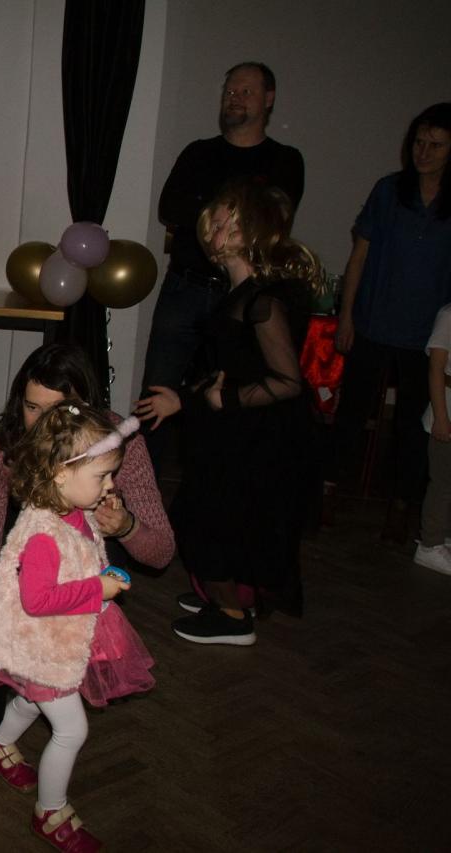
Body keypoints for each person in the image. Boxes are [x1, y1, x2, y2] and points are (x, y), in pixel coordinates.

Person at [0, 343, 174, 726]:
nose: (41, 422)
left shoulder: (119, 446)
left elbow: (161, 553)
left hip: (91, 566)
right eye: (32, 407)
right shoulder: (7, 452)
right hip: (34, 562)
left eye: (56, 409)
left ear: (84, 405)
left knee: (68, 692)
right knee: (5, 638)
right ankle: (2, 735)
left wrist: (126, 526)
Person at [137, 179, 321, 644]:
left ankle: (233, 617)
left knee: (207, 519)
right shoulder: (238, 293)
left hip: (256, 435)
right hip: (237, 430)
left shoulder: (262, 300)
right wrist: (184, 398)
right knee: (218, 517)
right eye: (215, 224)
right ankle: (225, 598)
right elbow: (227, 367)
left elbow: (287, 382)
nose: (216, 233)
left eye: (229, 225)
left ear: (254, 230)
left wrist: (228, 399)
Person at [0, 402, 152, 853]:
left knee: (33, 702)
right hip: (37, 644)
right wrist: (97, 588)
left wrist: (104, 517)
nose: (110, 485)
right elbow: (38, 600)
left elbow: (80, 547)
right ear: (60, 474)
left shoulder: (70, 505)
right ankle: (51, 813)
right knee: (71, 731)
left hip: (47, 640)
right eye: (103, 477)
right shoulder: (43, 535)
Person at [142, 62, 304, 463]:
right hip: (186, 287)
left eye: (246, 91)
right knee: (158, 390)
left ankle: (210, 473)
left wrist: (212, 201)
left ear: (268, 99)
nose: (235, 98)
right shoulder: (200, 152)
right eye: (230, 91)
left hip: (242, 297)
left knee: (225, 392)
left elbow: (275, 217)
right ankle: (143, 485)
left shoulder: (283, 159)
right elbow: (171, 208)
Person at [327, 103, 451, 542]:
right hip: (374, 322)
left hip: (426, 335)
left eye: (436, 145)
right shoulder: (388, 191)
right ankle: (330, 488)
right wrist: (346, 314)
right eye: (419, 142)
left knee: (413, 425)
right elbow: (359, 256)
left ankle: (402, 503)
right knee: (352, 412)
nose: (424, 152)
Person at [417, 300, 451, 575]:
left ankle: (445, 537)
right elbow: (436, 368)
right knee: (443, 480)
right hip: (448, 410)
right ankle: (430, 544)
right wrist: (441, 417)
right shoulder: (449, 316)